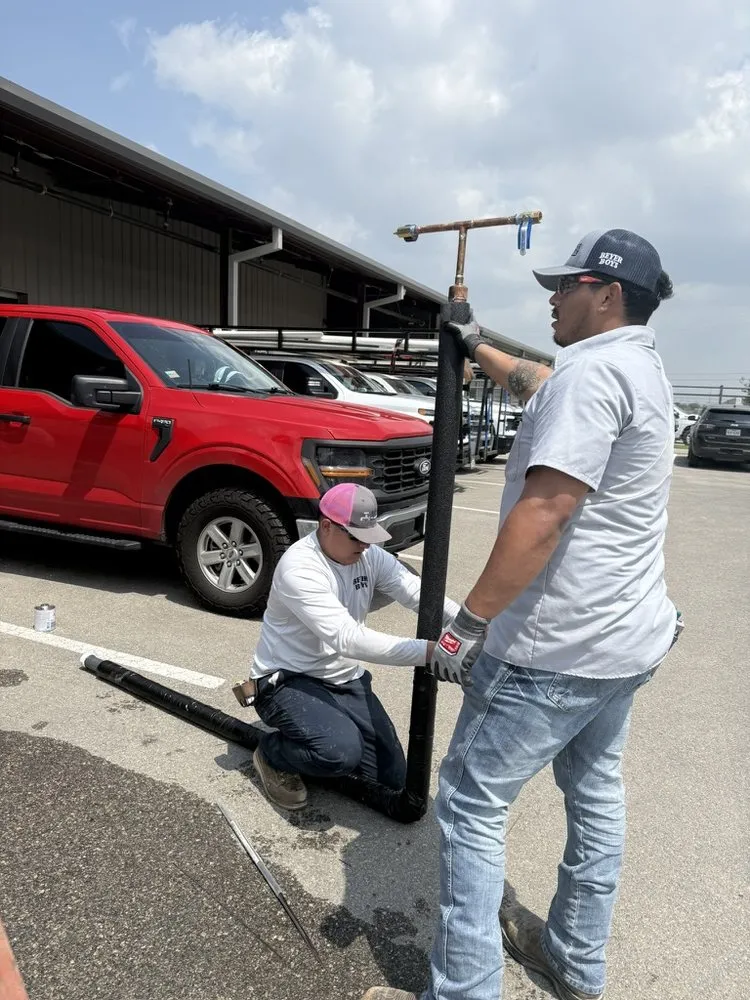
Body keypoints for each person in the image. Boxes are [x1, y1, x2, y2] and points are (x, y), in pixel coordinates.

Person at [363, 229, 684, 1000]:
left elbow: (543, 517)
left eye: (565, 284)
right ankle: (575, 962)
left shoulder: (594, 375)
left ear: (604, 294)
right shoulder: (638, 366)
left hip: (555, 649)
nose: (551, 295)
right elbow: (535, 379)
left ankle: (464, 989)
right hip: (626, 642)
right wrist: (473, 343)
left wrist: (465, 625)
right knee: (597, 787)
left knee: (471, 803)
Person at [246, 481, 459, 811]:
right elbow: (347, 639)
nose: (364, 545)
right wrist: (429, 652)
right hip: (288, 681)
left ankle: (325, 743)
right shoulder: (300, 568)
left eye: (368, 535)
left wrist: (468, 626)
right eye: (356, 536)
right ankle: (273, 754)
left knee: (392, 778)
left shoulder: (367, 555)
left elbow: (414, 591)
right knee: (338, 753)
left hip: (343, 678)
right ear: (326, 526)